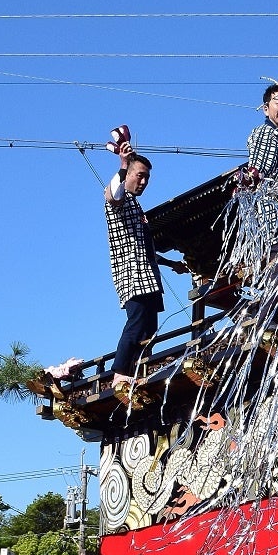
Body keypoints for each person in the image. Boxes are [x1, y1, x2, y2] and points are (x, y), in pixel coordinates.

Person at [103, 136, 185, 389]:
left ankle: (139, 368)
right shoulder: (120, 200)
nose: (143, 181)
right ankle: (118, 372)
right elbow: (111, 195)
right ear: (127, 174)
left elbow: (146, 250)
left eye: (147, 178)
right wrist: (122, 163)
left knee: (149, 328)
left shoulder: (137, 208)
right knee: (136, 323)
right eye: (139, 175)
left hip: (148, 277)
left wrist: (172, 264)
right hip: (132, 277)